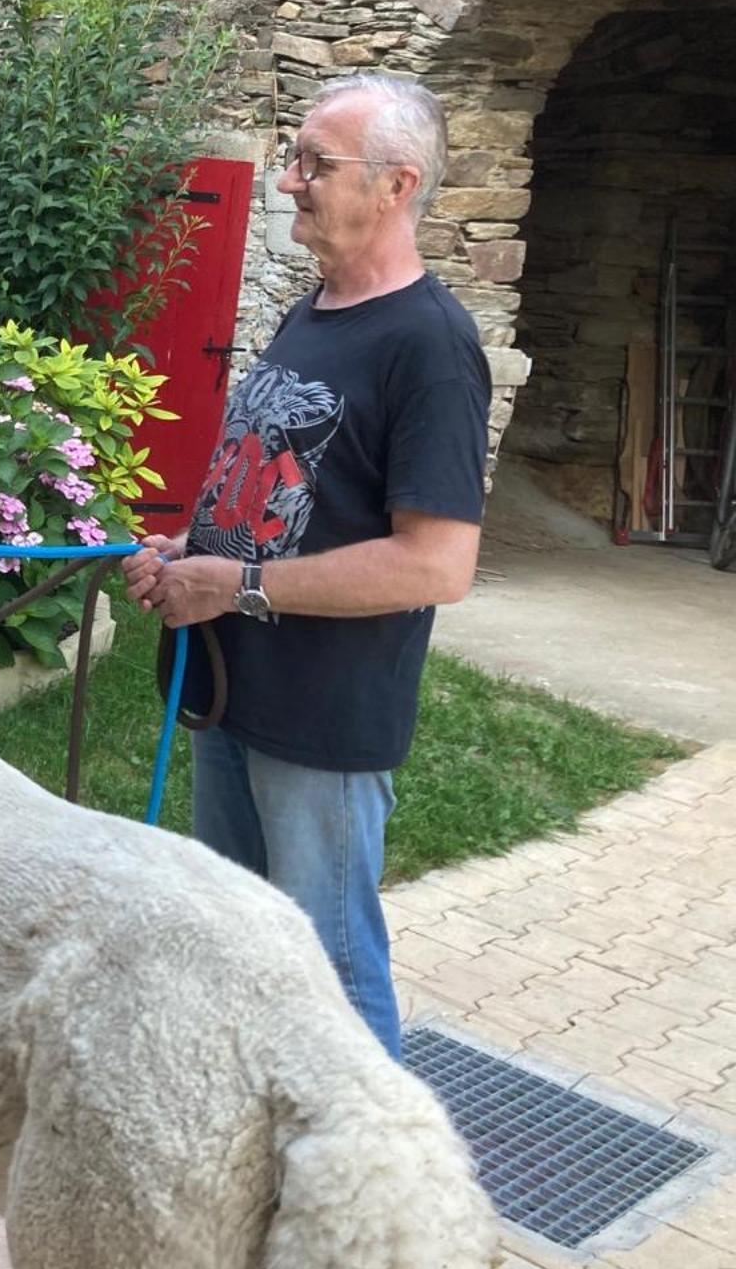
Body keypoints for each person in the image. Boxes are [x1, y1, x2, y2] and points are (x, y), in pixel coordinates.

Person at [123, 72, 491, 1058]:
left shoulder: (430, 347)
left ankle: (368, 1195)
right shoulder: (314, 311)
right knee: (237, 947)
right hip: (228, 697)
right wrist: (189, 554)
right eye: (291, 159)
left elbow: (437, 563)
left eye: (312, 164)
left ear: (394, 185)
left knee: (328, 972)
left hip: (322, 727)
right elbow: (282, 493)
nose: (288, 181)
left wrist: (236, 585)